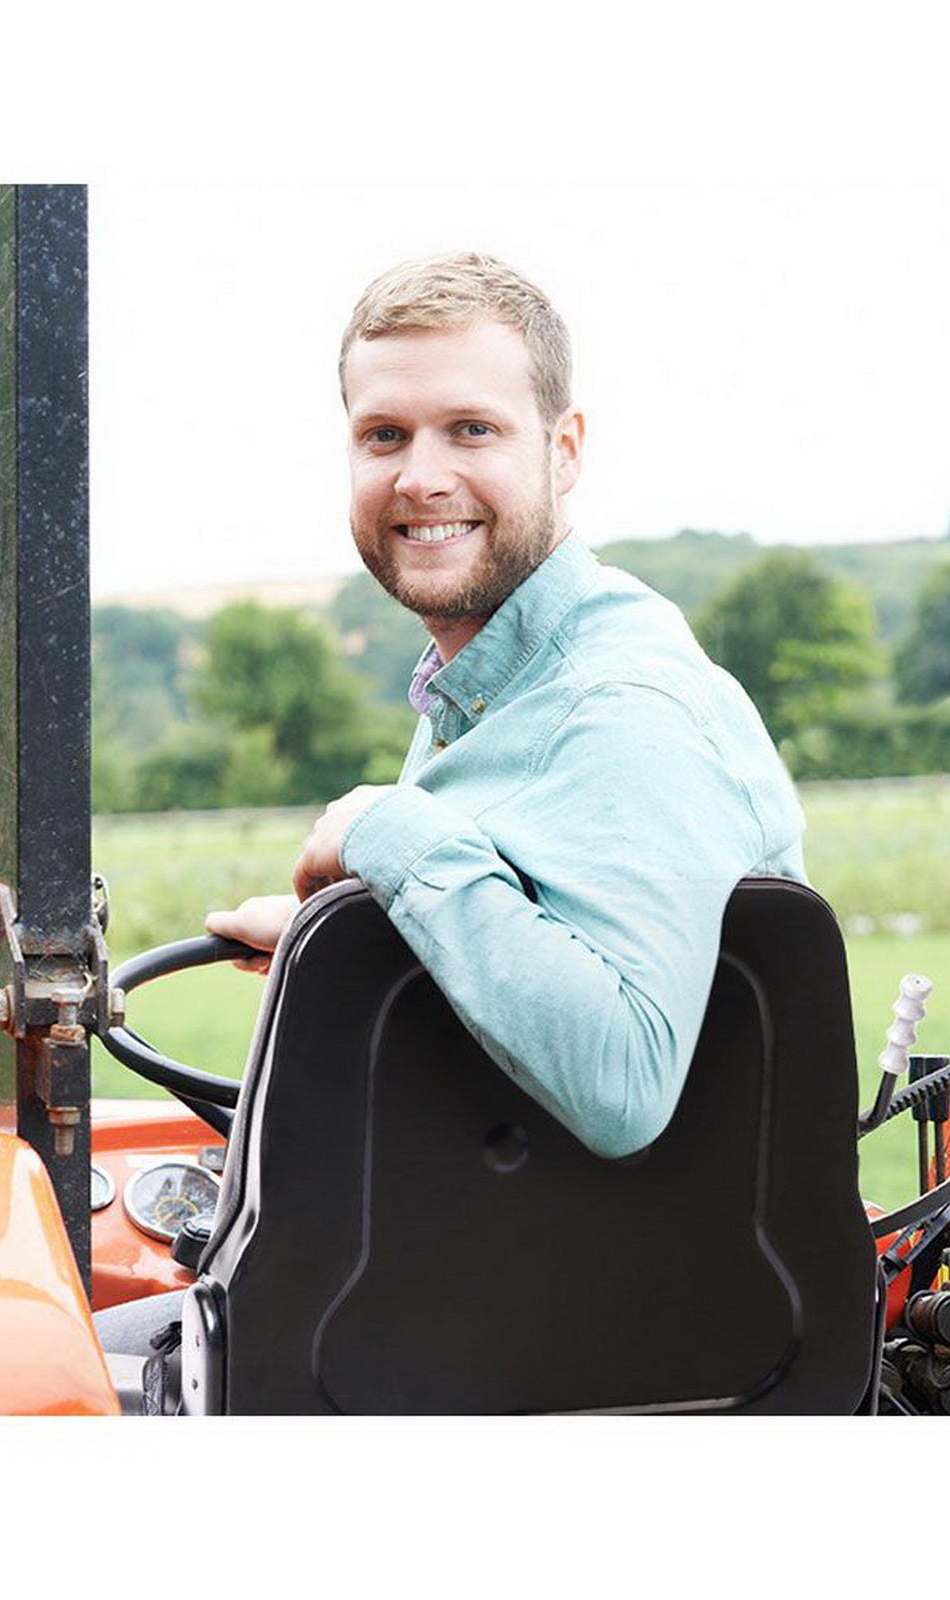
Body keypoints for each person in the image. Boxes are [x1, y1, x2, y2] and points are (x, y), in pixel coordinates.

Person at [205, 252, 806, 1160]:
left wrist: (388, 829)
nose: (421, 477)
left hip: (625, 1294)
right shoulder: (492, 684)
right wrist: (345, 938)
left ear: (562, 454)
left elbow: (625, 1078)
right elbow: (542, 944)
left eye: (472, 429)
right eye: (385, 435)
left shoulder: (619, 706)